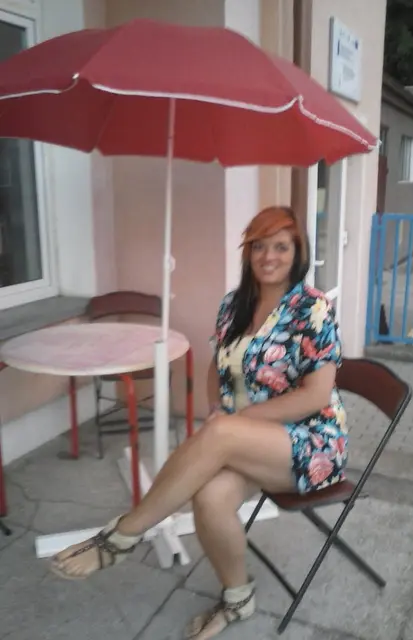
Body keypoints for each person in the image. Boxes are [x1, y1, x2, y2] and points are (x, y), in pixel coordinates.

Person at [51, 205, 348, 640]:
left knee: (221, 433)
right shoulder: (234, 304)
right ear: (247, 252)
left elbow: (315, 396)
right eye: (259, 246)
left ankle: (122, 536)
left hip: (311, 442)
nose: (269, 256)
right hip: (246, 439)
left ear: (297, 252)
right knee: (209, 497)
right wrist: (217, 409)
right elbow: (218, 365)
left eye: (281, 247)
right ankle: (238, 599)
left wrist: (235, 422)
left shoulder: (313, 309)